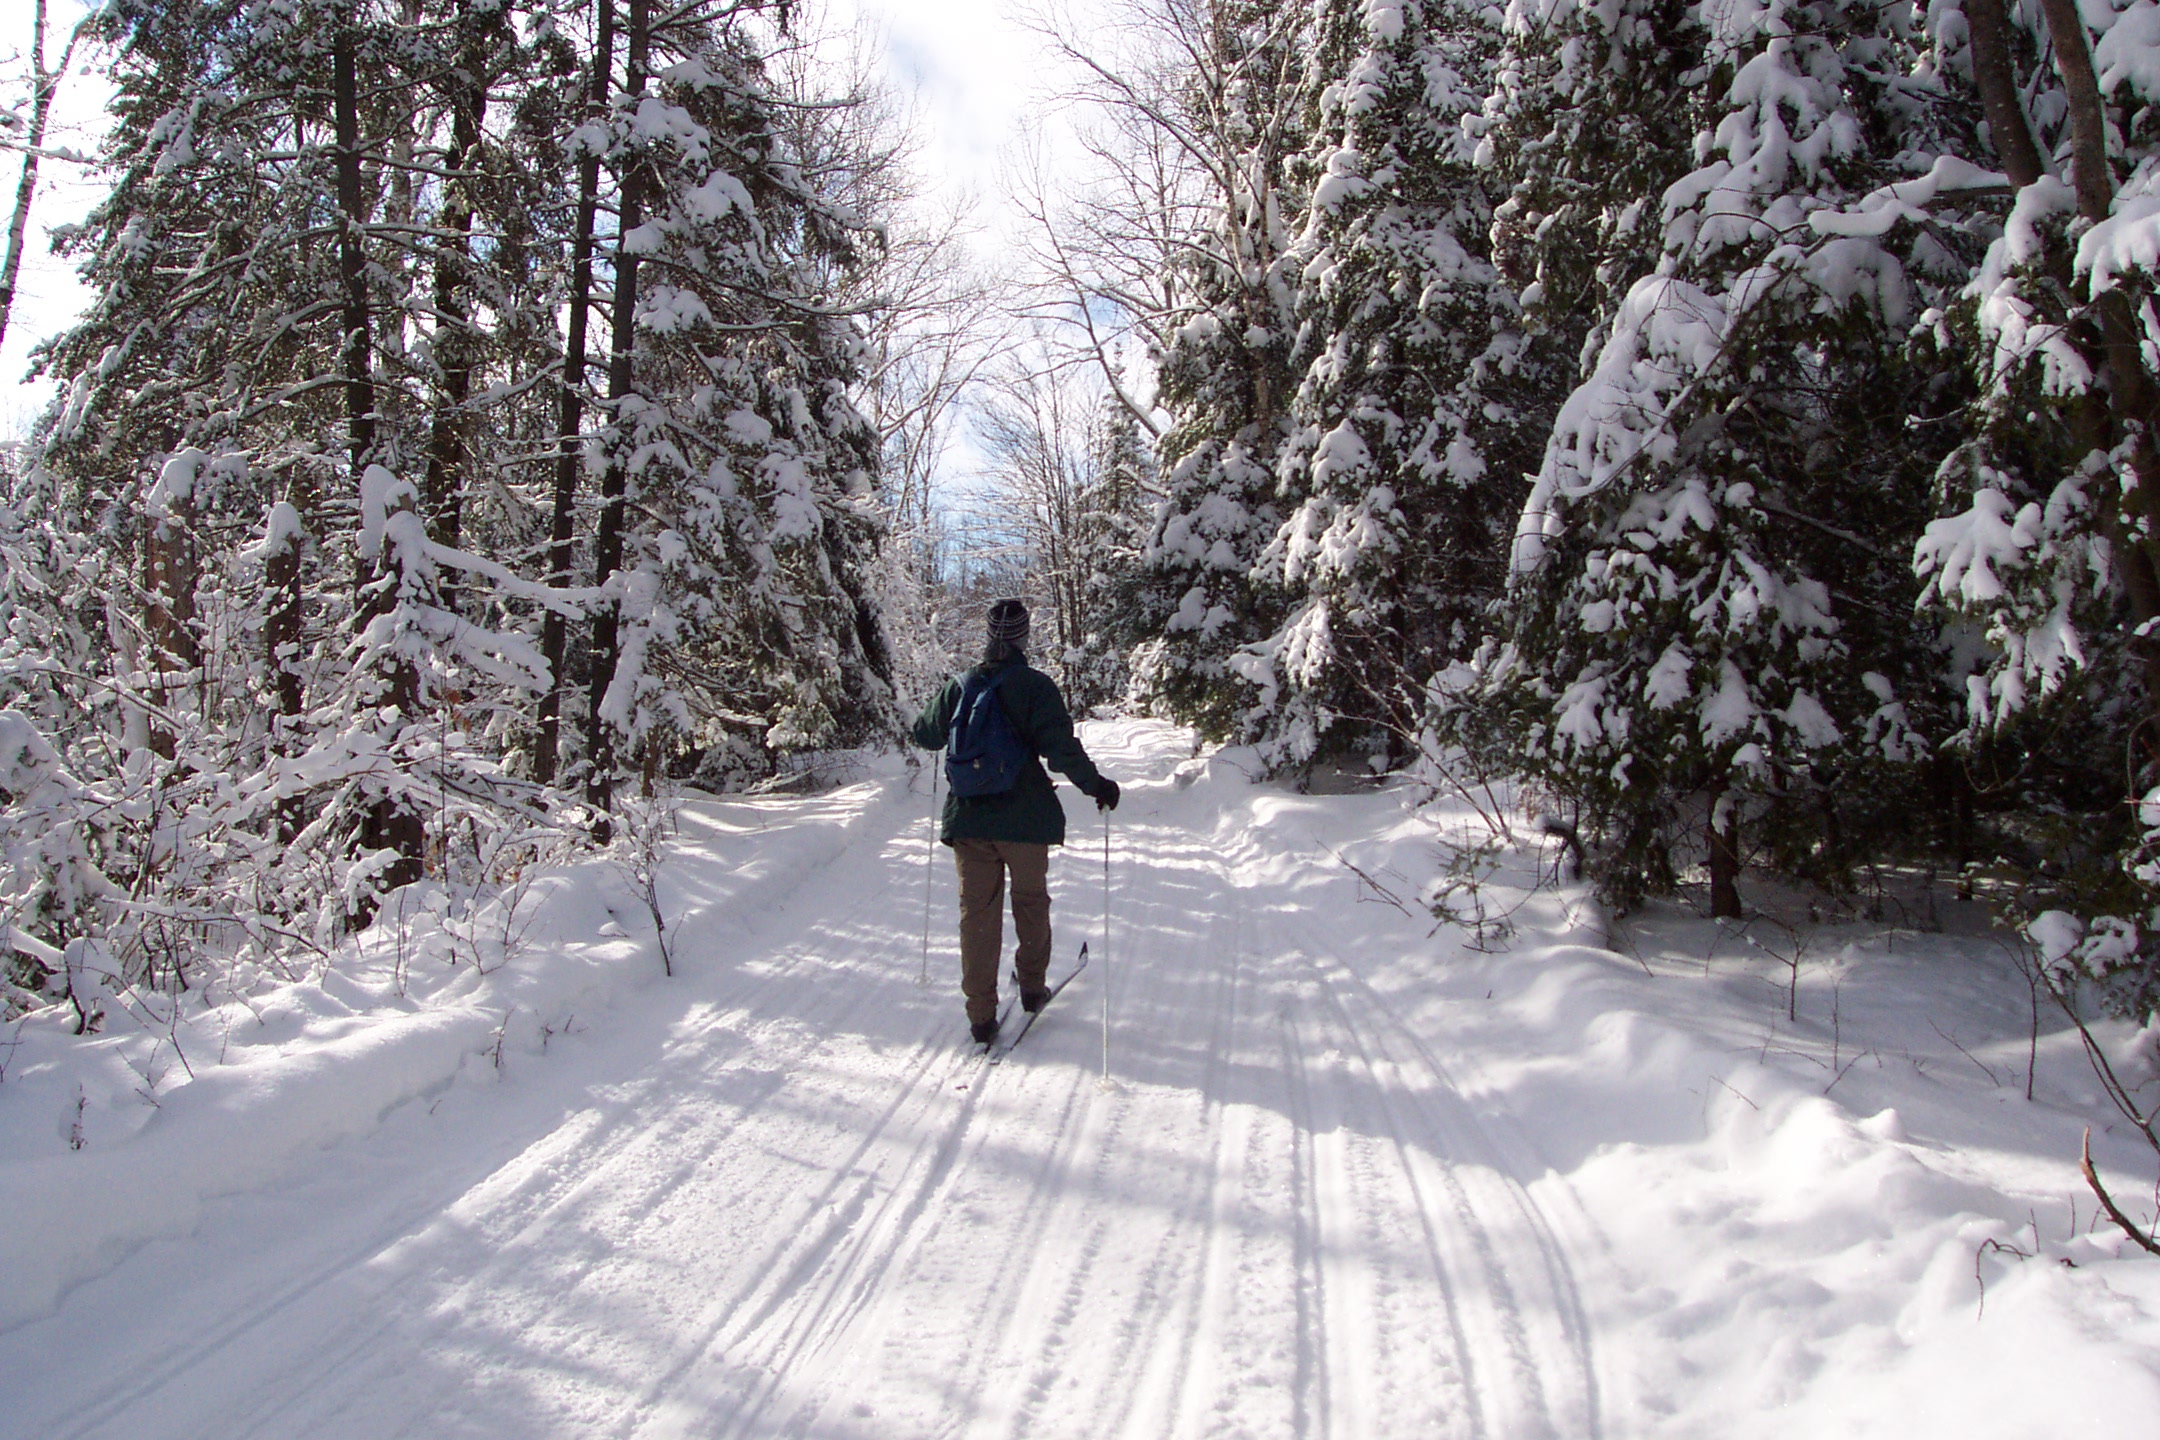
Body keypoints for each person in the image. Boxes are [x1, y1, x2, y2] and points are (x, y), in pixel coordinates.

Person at [911, 599, 1120, 1043]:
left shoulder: (961, 684)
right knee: (1030, 902)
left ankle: (980, 1015)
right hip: (1025, 820)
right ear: (1025, 637)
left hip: (968, 821)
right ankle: (1030, 988)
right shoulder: (1035, 687)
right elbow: (1061, 752)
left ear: (986, 636)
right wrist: (1097, 786)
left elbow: (925, 734)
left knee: (977, 916)